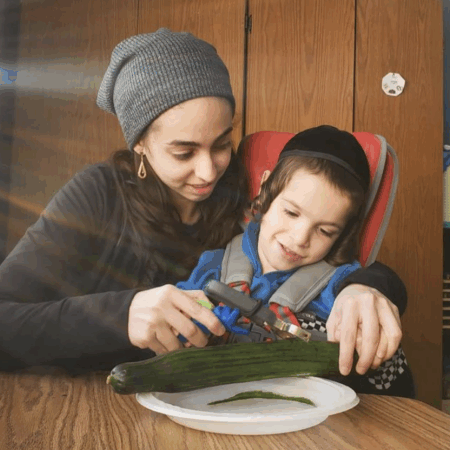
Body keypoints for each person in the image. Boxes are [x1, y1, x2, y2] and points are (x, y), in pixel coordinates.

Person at [0, 29, 406, 377]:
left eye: (222, 144)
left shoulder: (243, 188)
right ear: (140, 142)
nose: (209, 172)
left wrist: (364, 289)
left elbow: (336, 250)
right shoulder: (97, 194)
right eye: (183, 153)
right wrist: (121, 317)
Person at [176, 125, 414, 397]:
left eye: (325, 231)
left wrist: (362, 298)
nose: (300, 238)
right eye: (291, 212)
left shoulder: (344, 287)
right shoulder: (212, 266)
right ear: (266, 188)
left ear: (343, 234)